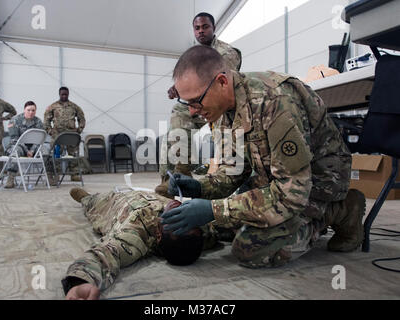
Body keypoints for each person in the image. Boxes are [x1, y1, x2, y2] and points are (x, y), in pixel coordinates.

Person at [162, 45, 366, 268]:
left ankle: (340, 209)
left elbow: (292, 194)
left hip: (317, 183)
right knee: (219, 228)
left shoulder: (275, 102)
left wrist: (214, 209)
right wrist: (199, 188)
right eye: (186, 103)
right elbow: (233, 172)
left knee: (251, 249)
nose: (192, 112)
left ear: (221, 82)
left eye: (195, 101)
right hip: (274, 179)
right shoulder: (222, 111)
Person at [62, 187, 217, 300]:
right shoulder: (204, 229)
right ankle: (163, 189)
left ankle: (87, 198)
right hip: (150, 196)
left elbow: (104, 254)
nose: (181, 213)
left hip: (112, 203)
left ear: (158, 234)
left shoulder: (135, 236)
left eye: (175, 220)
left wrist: (78, 282)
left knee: (94, 202)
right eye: (188, 222)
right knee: (164, 191)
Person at [155, 12, 242, 198]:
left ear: (214, 28)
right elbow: (188, 80)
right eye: (197, 28)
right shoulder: (193, 56)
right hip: (201, 101)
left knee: (220, 135)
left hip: (222, 104)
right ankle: (171, 177)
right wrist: (178, 89)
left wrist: (188, 89)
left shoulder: (227, 52)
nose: (201, 31)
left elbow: (219, 84)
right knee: (174, 128)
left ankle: (187, 173)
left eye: (205, 27)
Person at [44, 87, 86, 183]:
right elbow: (46, 120)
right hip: (57, 135)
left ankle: (74, 174)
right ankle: (56, 174)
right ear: (59, 94)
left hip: (71, 134)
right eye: (62, 94)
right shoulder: (53, 106)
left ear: (68, 94)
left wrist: (79, 130)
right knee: (56, 155)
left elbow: (81, 118)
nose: (64, 96)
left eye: (66, 94)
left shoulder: (74, 107)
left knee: (74, 154)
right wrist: (50, 131)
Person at [4, 101, 44, 188]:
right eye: (28, 110)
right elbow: (15, 139)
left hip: (33, 147)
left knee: (45, 150)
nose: (31, 112)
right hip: (18, 145)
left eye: (33, 110)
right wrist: (27, 151)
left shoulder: (38, 122)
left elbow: (39, 139)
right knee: (16, 151)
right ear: (24, 110)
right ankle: (10, 178)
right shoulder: (15, 120)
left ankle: (49, 176)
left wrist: (32, 150)